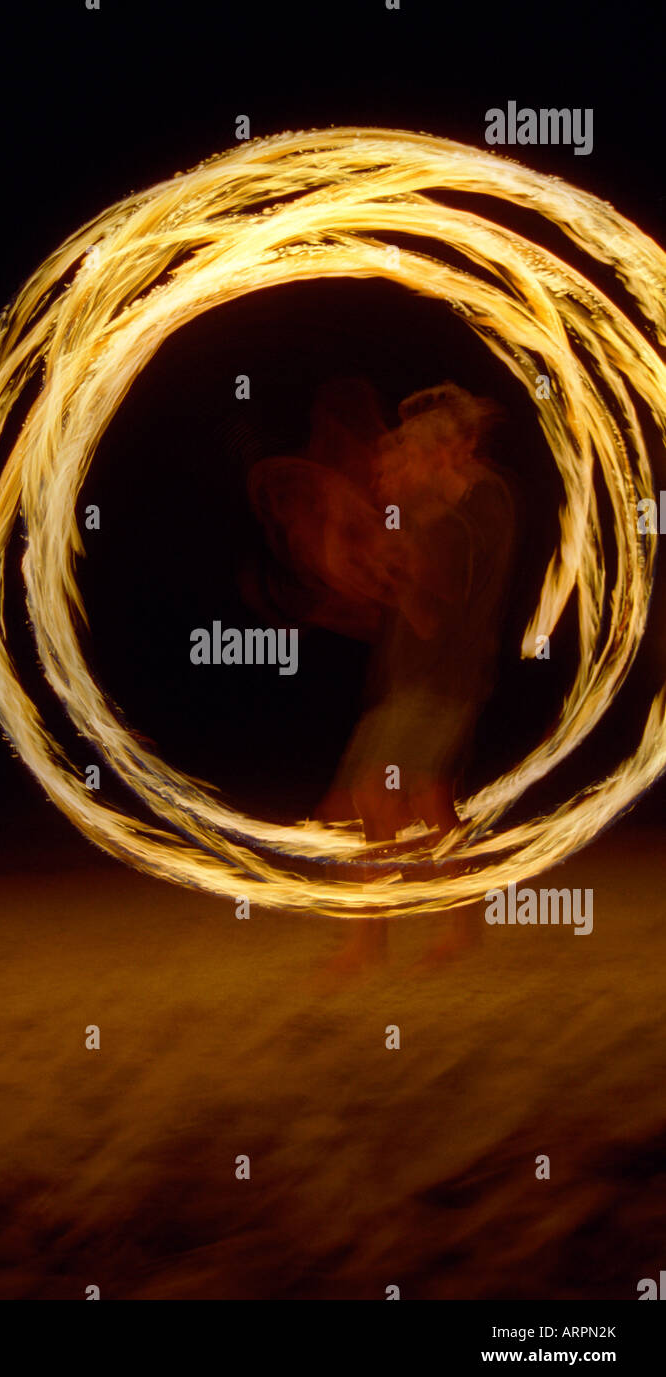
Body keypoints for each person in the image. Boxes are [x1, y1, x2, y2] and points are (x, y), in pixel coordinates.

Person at [246, 378, 517, 970]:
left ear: (457, 446)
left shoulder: (479, 506)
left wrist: (396, 565)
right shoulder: (438, 513)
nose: (406, 462)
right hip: (415, 682)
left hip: (440, 685)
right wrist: (367, 570)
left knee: (370, 799)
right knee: (425, 802)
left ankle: (367, 940)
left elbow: (434, 611)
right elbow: (412, 606)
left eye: (419, 450)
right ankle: (459, 921)